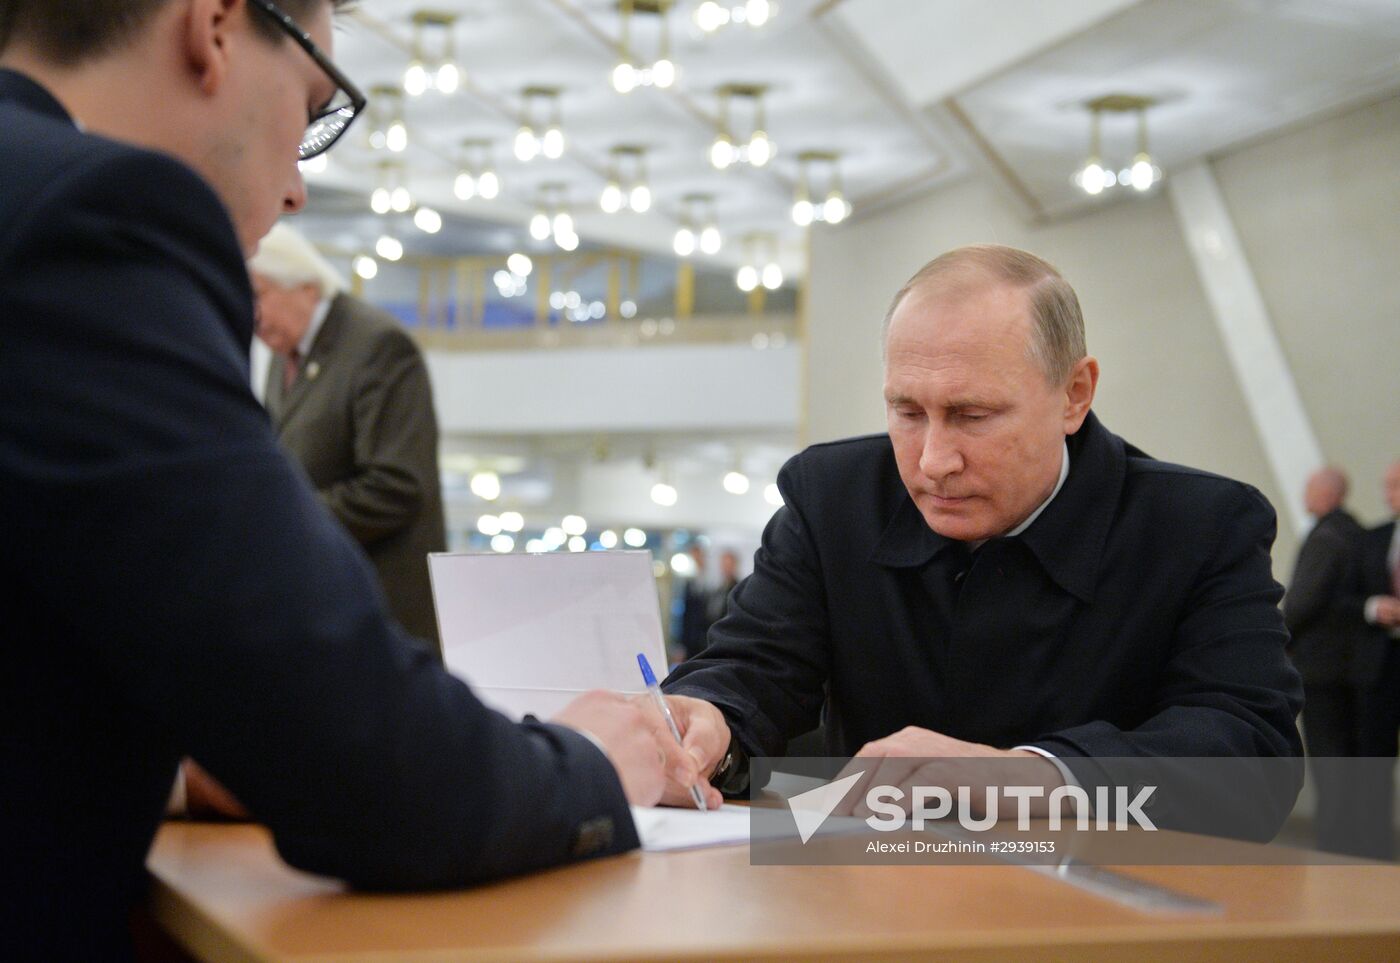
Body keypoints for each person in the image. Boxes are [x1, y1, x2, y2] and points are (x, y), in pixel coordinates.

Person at [0, 2, 710, 957]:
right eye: (313, 108)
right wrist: (587, 765)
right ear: (214, 27)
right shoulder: (97, 215)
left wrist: (171, 760)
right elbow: (374, 775)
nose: (298, 190)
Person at [661, 245, 1304, 838]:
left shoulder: (1199, 527)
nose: (933, 461)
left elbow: (1251, 757)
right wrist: (709, 717)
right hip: (872, 887)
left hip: (1104, 900)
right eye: (907, 412)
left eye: (972, 416)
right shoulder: (832, 499)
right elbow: (755, 666)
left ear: (1074, 394)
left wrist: (1031, 776)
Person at [250, 224, 447, 655]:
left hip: (383, 614)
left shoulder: (378, 346)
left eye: (258, 295)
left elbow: (397, 487)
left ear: (305, 286)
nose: (252, 316)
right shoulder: (284, 356)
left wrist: (286, 518)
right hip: (323, 608)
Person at [1283, 467, 1367, 855]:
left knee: (1328, 758)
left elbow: (1303, 602)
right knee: (1351, 760)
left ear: (1329, 494)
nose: (1305, 495)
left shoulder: (1325, 538)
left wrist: (1276, 638)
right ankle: (1354, 841)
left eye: (1310, 489)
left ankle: (1334, 843)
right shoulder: (1359, 534)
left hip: (1319, 669)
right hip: (1356, 669)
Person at [1349, 460, 1400, 859]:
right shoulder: (1372, 537)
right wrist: (1371, 607)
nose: (1389, 494)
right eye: (1388, 486)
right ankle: (1373, 850)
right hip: (1380, 665)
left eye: (1397, 485)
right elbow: (1343, 597)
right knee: (1373, 760)